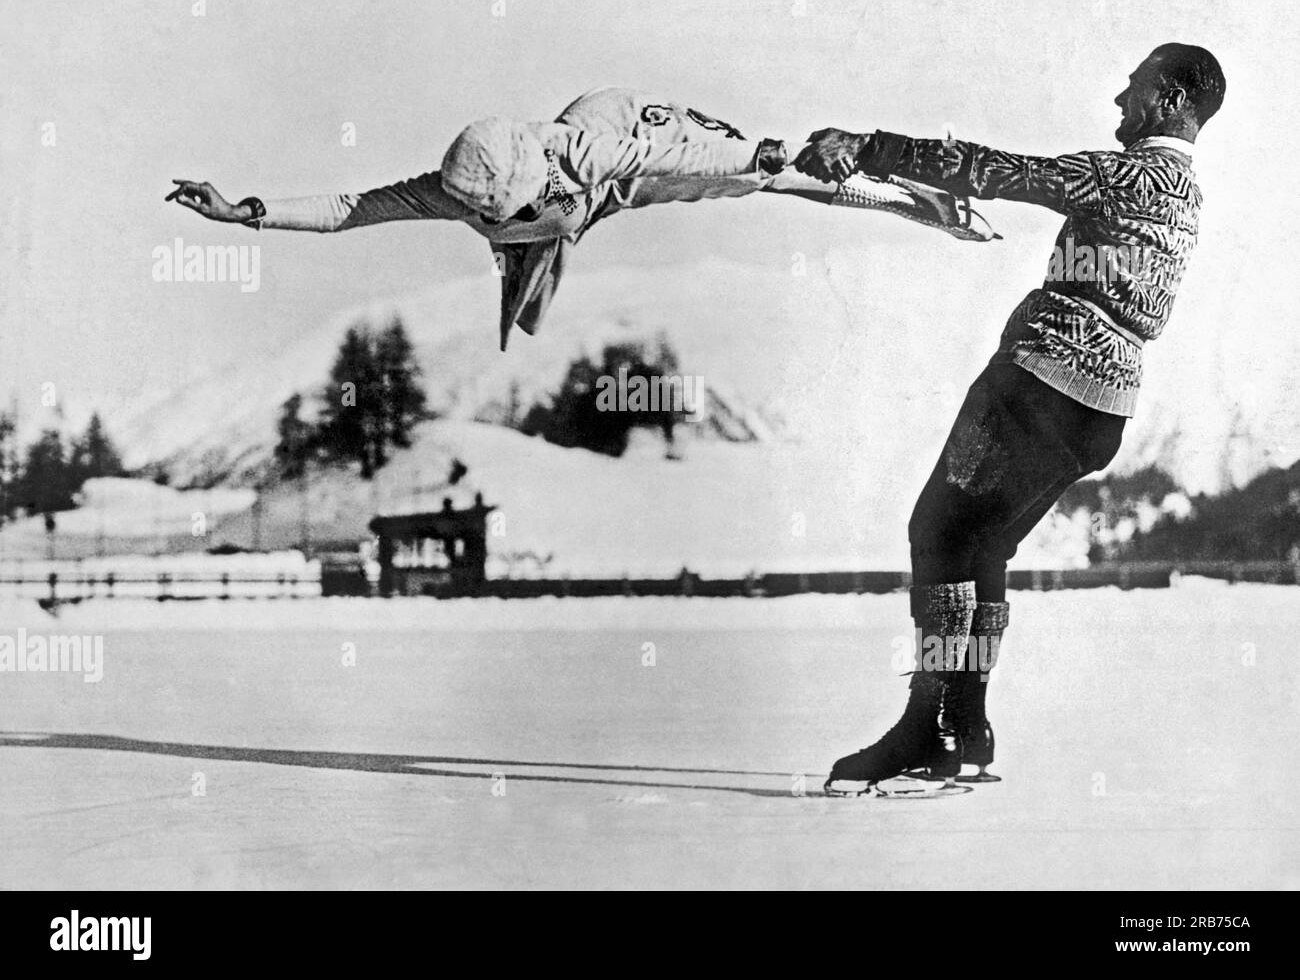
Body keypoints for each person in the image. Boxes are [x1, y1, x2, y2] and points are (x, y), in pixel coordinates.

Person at [795, 44, 1225, 794]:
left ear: (1169, 100)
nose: (1120, 98)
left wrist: (870, 149)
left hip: (1040, 381)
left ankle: (921, 725)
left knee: (935, 533)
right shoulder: (1188, 193)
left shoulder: (1122, 173)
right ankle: (967, 726)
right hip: (1105, 410)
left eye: (1135, 87)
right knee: (985, 541)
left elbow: (998, 169)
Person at [168, 87, 995, 349]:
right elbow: (354, 209)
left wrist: (767, 155)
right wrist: (248, 213)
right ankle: (537, 258)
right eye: (477, 215)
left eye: (491, 211)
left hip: (636, 149)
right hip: (569, 216)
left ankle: (919, 202)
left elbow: (681, 164)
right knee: (528, 301)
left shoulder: (584, 152)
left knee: (781, 182)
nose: (475, 219)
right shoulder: (452, 189)